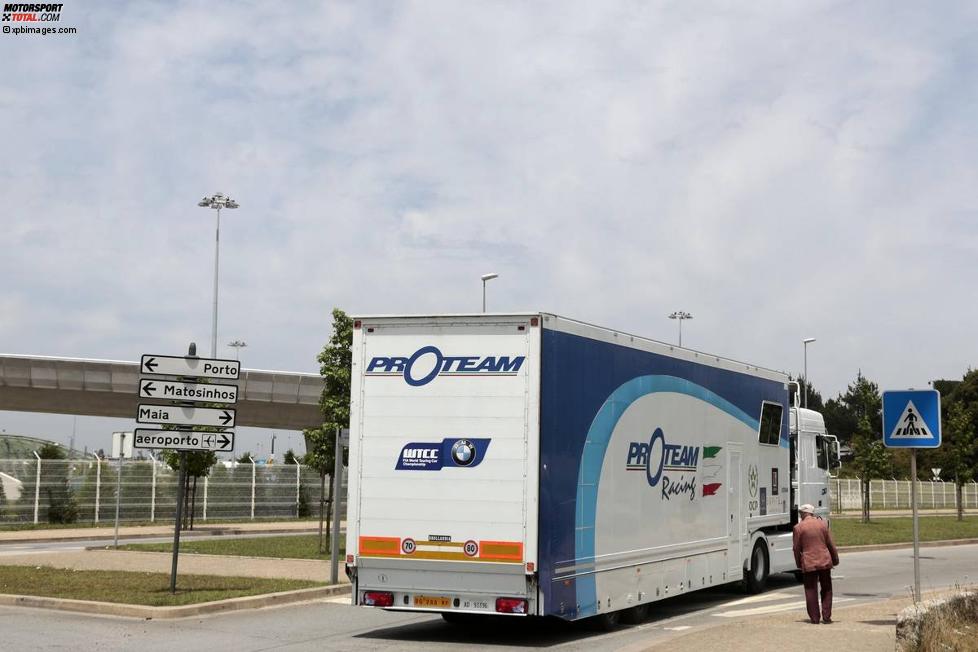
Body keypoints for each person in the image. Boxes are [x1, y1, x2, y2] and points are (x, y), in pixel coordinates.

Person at [792, 503, 839, 624]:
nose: (800, 515)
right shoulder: (823, 524)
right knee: (827, 588)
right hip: (824, 561)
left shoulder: (798, 528)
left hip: (809, 563)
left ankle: (815, 618)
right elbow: (830, 544)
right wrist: (835, 559)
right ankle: (827, 616)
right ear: (812, 513)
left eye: (800, 513)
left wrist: (798, 563)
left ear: (804, 513)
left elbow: (796, 548)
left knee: (810, 590)